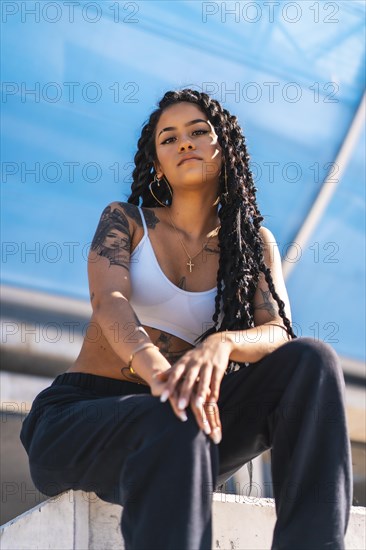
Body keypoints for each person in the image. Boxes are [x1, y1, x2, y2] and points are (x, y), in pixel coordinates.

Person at [20, 88, 352, 550]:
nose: (185, 143)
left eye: (198, 131)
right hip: (84, 416)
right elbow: (109, 300)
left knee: (312, 361)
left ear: (225, 148)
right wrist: (162, 376)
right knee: (176, 414)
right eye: (169, 138)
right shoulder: (126, 219)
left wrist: (222, 344)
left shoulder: (252, 244)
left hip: (188, 428)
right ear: (157, 163)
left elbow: (278, 331)